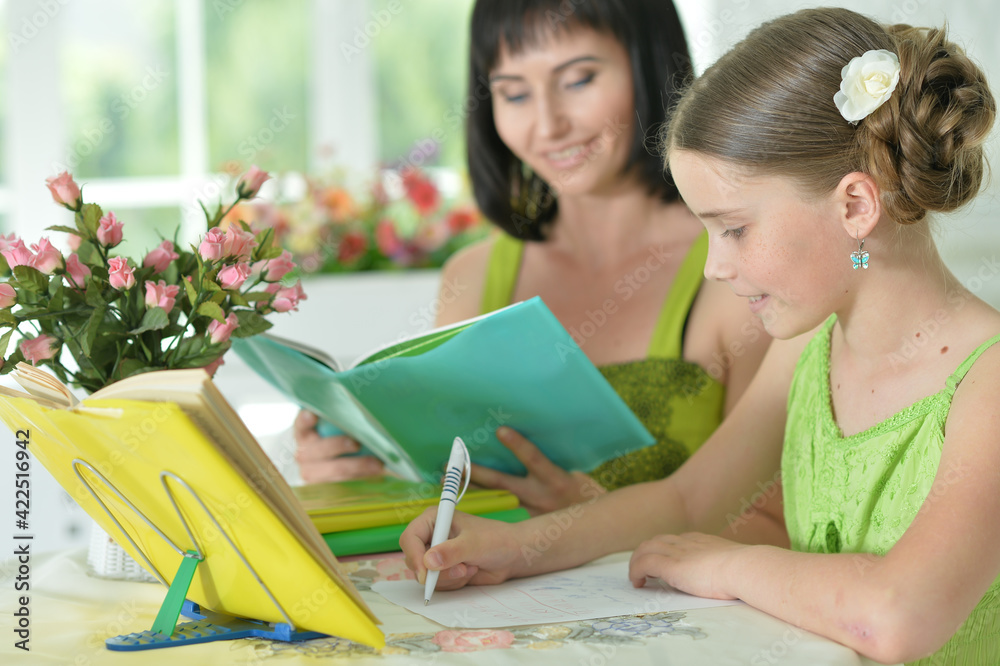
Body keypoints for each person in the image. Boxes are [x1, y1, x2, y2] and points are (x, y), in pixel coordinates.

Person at [400, 7, 1000, 664]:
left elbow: (896, 617)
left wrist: (729, 565)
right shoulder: (810, 346)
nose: (714, 266)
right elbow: (688, 499)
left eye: (735, 228)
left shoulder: (988, 382)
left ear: (855, 205)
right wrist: (516, 546)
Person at [295, 0, 773, 517]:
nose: (548, 125)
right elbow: (447, 492)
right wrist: (363, 468)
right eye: (514, 93)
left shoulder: (737, 264)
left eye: (578, 80)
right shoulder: (472, 277)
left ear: (650, 63)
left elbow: (775, 520)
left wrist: (591, 519)